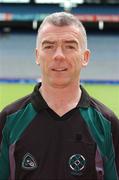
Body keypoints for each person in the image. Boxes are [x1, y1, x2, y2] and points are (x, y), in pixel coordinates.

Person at [0, 12, 119, 180]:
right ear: (37, 56)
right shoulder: (8, 120)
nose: (58, 55)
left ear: (85, 57)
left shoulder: (107, 123)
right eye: (49, 46)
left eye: (70, 46)